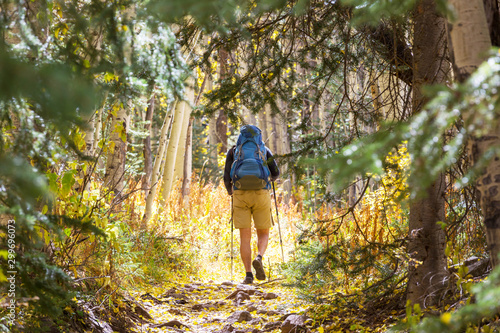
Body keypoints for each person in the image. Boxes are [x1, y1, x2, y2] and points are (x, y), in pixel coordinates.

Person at [223, 125, 280, 284]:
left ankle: (248, 275)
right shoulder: (264, 150)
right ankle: (259, 257)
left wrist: (231, 191)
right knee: (263, 232)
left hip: (240, 194)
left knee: (244, 238)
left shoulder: (234, 151)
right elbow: (275, 173)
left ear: (241, 136)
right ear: (258, 136)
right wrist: (270, 180)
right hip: (261, 193)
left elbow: (226, 177)